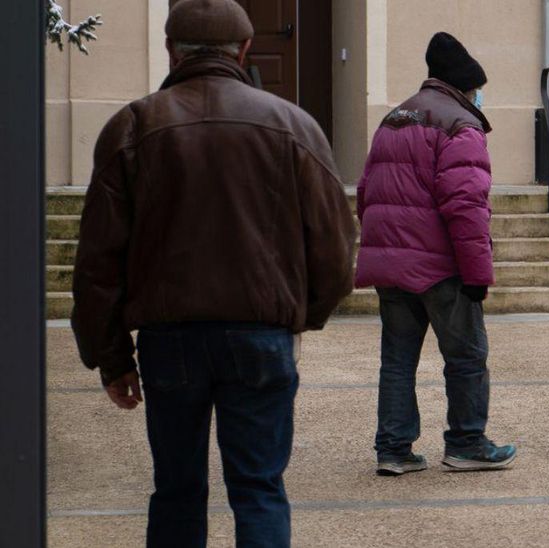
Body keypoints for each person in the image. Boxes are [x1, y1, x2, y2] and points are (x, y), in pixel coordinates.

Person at [71, 0, 356, 545]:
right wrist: (299, 316)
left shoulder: (134, 125)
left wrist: (111, 357)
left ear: (171, 50)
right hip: (260, 332)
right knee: (259, 488)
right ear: (245, 49)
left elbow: (98, 259)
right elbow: (336, 249)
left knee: (176, 489)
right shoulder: (292, 125)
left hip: (170, 337)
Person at [356, 32, 516, 475]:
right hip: (441, 266)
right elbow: (466, 207)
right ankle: (467, 442)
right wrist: (477, 273)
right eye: (478, 90)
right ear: (467, 88)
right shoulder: (460, 125)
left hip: (392, 264)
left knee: (397, 360)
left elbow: (366, 192)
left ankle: (393, 448)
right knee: (466, 356)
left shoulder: (393, 118)